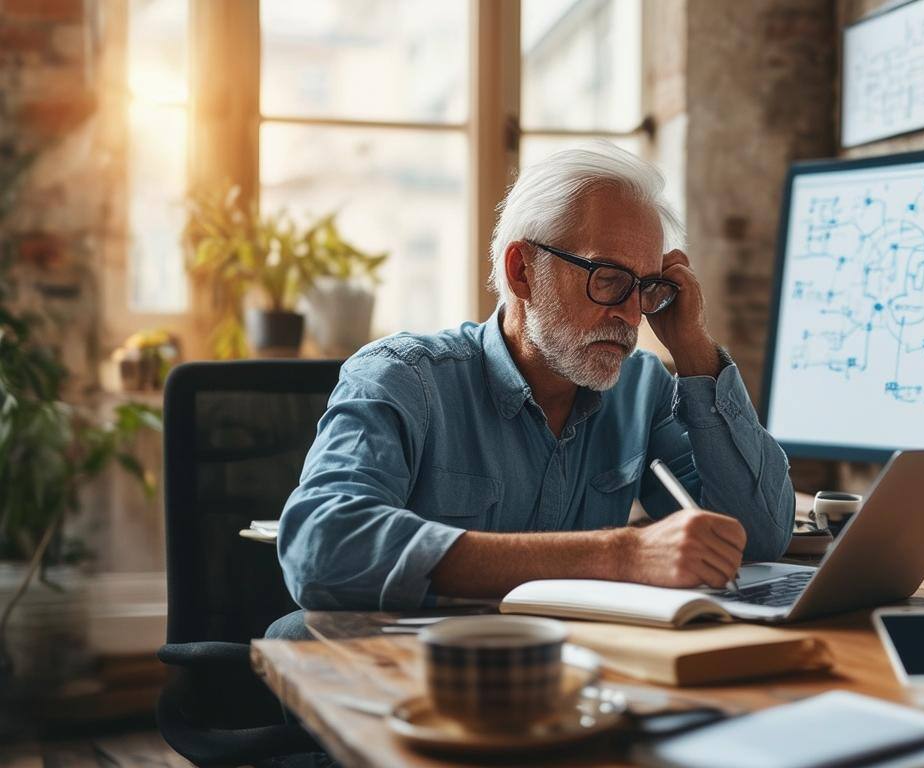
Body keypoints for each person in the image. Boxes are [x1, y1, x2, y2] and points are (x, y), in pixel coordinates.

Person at [271, 143, 793, 634]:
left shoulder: (643, 391)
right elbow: (322, 547)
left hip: (573, 676)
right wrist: (621, 556)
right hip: (417, 676)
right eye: (608, 277)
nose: (632, 315)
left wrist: (695, 351)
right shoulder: (404, 378)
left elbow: (760, 537)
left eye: (646, 288)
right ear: (522, 271)